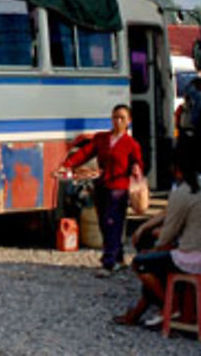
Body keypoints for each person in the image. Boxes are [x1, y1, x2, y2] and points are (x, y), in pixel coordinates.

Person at [112, 143, 201, 328]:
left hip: (196, 257)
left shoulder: (182, 191)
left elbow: (167, 235)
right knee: (155, 260)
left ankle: (170, 307)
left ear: (175, 168)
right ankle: (138, 314)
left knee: (142, 263)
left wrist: (155, 242)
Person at [60, 104, 144, 277]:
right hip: (102, 186)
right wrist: (67, 164)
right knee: (104, 224)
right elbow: (85, 153)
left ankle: (109, 262)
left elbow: (138, 162)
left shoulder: (131, 144)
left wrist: (136, 168)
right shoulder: (101, 138)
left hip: (119, 188)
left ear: (129, 121)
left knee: (112, 222)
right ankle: (118, 258)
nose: (117, 121)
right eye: (115, 117)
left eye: (121, 118)